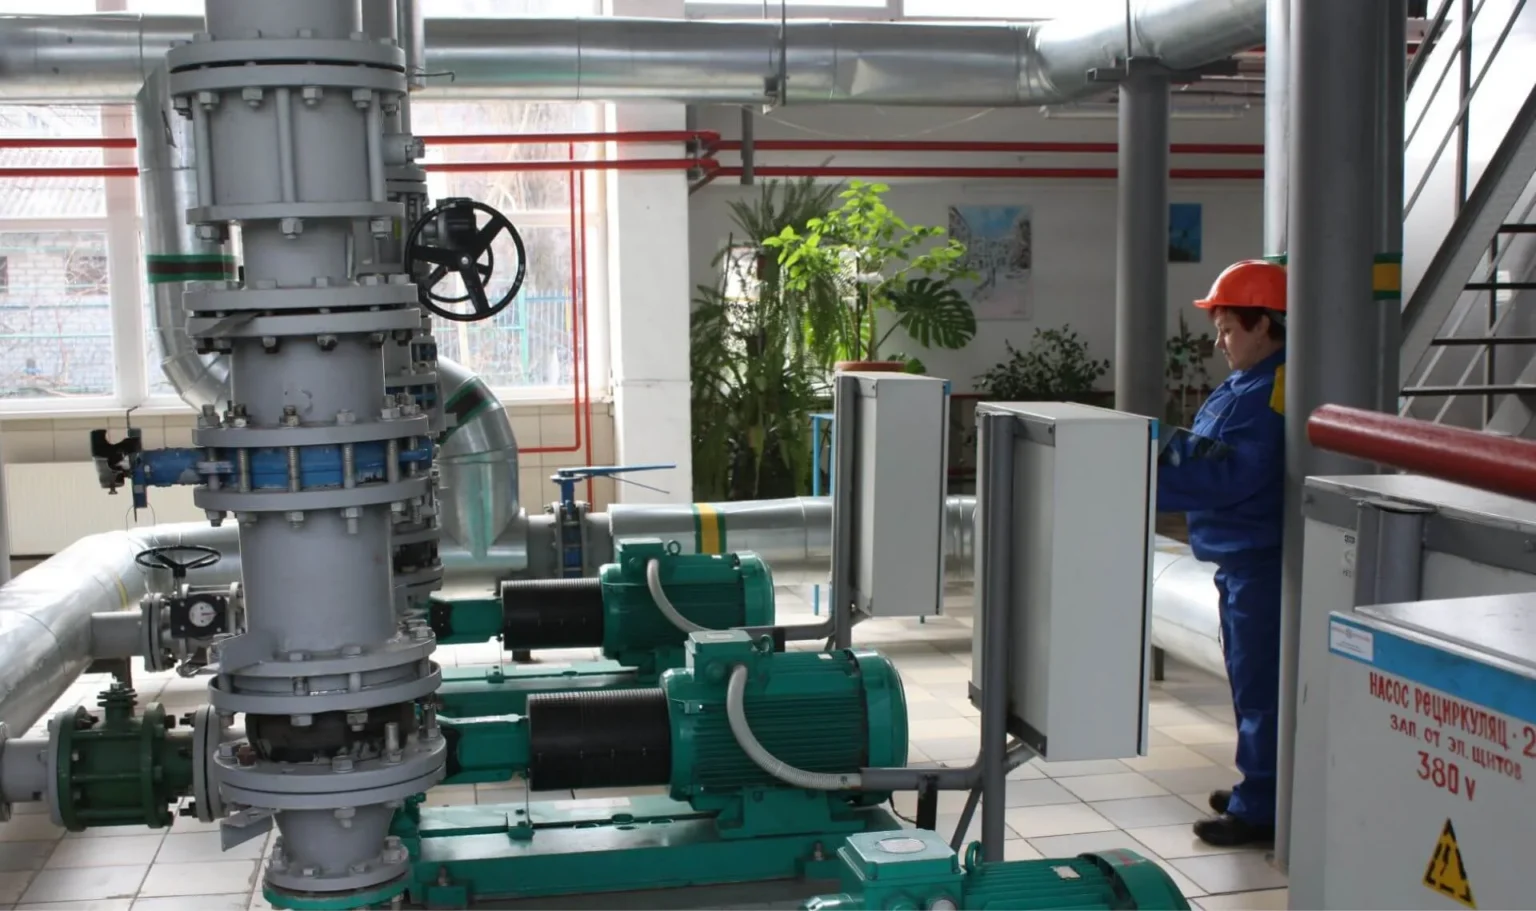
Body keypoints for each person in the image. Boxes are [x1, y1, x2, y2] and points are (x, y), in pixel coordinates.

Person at [1156, 259, 1287, 847]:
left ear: (1264, 324)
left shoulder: (1272, 392)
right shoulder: (1247, 384)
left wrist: (1140, 476)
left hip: (1262, 564)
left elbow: (1229, 475)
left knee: (1261, 687)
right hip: (1238, 564)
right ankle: (1257, 787)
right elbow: (1201, 452)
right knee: (1248, 680)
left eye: (1228, 329)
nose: (1219, 342)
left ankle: (1262, 805)